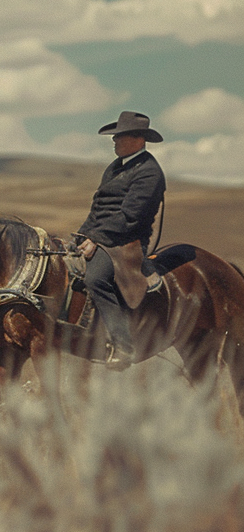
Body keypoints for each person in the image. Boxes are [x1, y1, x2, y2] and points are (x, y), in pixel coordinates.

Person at [76, 110, 166, 369]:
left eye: (119, 137)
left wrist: (95, 238)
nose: (114, 141)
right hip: (103, 236)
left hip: (127, 242)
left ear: (138, 140)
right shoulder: (115, 167)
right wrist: (82, 235)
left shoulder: (150, 172)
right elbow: (98, 208)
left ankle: (123, 346)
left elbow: (130, 217)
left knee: (95, 279)